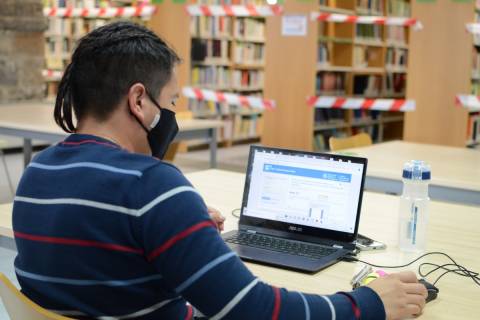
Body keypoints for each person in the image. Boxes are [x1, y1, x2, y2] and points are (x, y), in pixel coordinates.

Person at [12, 21, 427, 320]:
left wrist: (180, 231)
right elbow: (255, 310)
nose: (173, 117)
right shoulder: (153, 186)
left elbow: (107, 258)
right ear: (139, 101)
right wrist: (370, 303)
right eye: (171, 102)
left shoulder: (37, 172)